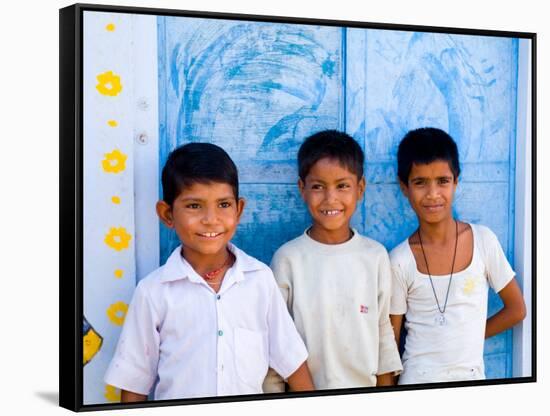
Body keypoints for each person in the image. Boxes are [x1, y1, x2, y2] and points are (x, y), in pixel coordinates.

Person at [104, 142, 314, 401]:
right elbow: (133, 382)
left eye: (223, 204)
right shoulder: (153, 292)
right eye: (194, 206)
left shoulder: (259, 280)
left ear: (239, 210)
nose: (211, 219)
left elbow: (291, 360)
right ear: (167, 214)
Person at [263, 130, 402, 392]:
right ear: (302, 189)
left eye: (342, 186)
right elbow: (276, 341)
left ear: (360, 189)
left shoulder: (374, 256)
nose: (330, 199)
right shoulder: (288, 259)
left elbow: (383, 332)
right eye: (318, 187)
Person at [389, 127, 527, 385]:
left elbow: (517, 309)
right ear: (404, 187)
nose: (432, 194)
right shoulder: (399, 260)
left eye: (443, 181)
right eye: (420, 183)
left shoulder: (483, 241)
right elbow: (390, 343)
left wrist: (466, 336)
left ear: (456, 181)